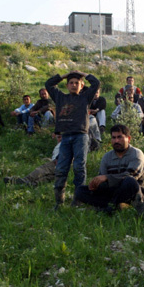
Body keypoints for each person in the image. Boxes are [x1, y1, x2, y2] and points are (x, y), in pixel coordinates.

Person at [45, 71, 100, 208]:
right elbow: (48, 84)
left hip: (80, 136)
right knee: (61, 168)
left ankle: (78, 200)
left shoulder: (85, 98)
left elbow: (96, 83)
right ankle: (59, 202)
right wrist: (65, 75)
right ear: (67, 85)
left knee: (79, 167)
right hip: (65, 136)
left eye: (77, 83)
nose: (74, 85)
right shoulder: (60, 97)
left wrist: (82, 74)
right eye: (71, 83)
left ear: (81, 86)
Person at [74, 124, 144, 213]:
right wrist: (96, 184)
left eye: (120, 137)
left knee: (130, 181)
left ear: (128, 139)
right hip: (112, 191)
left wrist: (107, 178)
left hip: (134, 192)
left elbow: (132, 176)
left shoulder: (136, 154)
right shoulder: (107, 157)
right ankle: (116, 205)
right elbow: (103, 181)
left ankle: (109, 207)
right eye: (113, 138)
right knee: (80, 191)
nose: (116, 141)